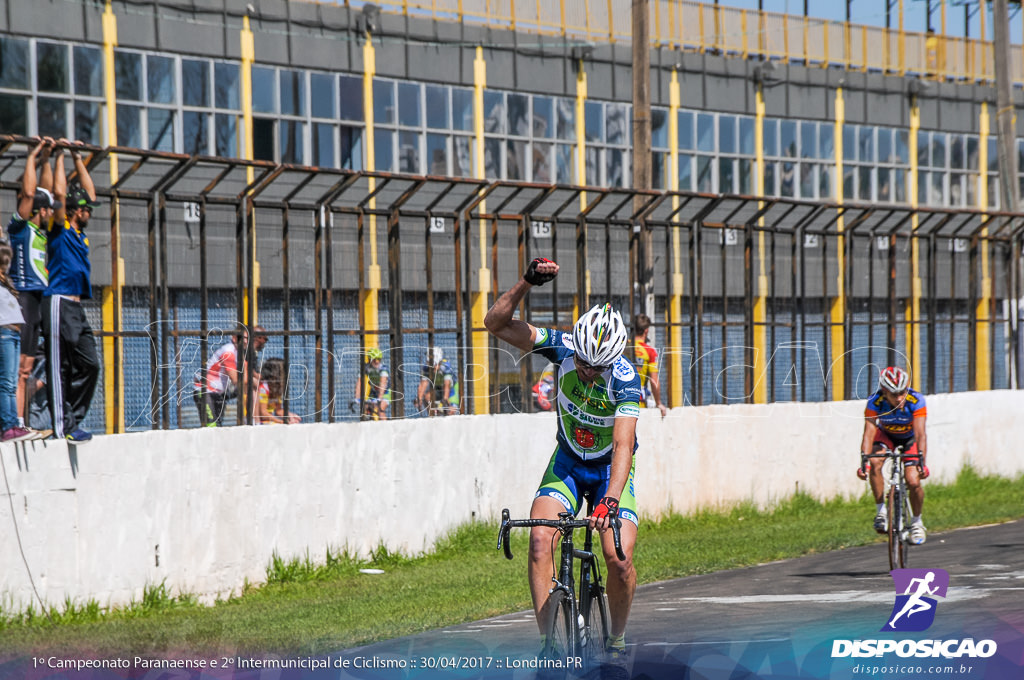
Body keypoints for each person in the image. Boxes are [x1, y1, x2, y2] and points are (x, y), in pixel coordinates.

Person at [484, 257, 642, 664]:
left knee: (618, 561)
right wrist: (524, 283)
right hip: (569, 462)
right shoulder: (565, 347)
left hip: (609, 469)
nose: (588, 372)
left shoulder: (624, 377)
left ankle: (617, 642)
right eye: (584, 363)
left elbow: (624, 445)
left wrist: (609, 500)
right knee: (539, 541)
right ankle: (548, 647)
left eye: (597, 366)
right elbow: (496, 324)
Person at [44, 140, 101, 443]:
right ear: (75, 210)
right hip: (59, 302)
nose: (90, 210)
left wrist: (79, 158)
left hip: (77, 309)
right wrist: (60, 156)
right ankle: (62, 426)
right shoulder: (60, 228)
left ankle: (72, 420)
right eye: (86, 208)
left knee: (91, 365)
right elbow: (59, 195)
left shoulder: (80, 233)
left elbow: (90, 193)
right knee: (60, 367)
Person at [8, 138, 55, 434]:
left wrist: (49, 158)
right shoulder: (20, 227)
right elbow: (30, 192)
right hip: (23, 298)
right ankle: (16, 423)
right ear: (38, 210)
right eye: (47, 209)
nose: (53, 211)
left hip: (38, 300)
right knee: (19, 371)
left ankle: (22, 423)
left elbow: (46, 193)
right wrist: (32, 156)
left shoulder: (41, 229)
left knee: (27, 370)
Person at [857, 366, 930, 545]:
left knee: (913, 481)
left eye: (902, 393)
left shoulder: (916, 400)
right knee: (874, 462)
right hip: (886, 435)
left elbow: (920, 434)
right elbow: (868, 433)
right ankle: (881, 511)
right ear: (884, 392)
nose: (899, 398)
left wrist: (922, 462)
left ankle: (917, 522)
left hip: (909, 438)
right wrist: (863, 462)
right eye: (893, 394)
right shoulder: (875, 402)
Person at [192, 325, 267, 426]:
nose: (246, 341)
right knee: (211, 426)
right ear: (234, 338)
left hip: (219, 392)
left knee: (218, 426)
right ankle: (250, 421)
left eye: (248, 339)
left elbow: (248, 374)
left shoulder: (240, 353)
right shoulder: (228, 352)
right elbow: (236, 380)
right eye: (243, 338)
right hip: (205, 391)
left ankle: (255, 421)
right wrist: (251, 379)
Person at [0, 242, 32, 442]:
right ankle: (8, 426)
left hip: (13, 334)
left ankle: (13, 425)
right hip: (3, 333)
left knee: (12, 382)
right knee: (6, 382)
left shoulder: (7, 283)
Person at [633, 313, 667, 418]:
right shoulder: (650, 351)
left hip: (620, 398)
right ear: (646, 330)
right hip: (638, 400)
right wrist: (658, 402)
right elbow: (654, 380)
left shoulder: (624, 348)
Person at [254, 357, 299, 425]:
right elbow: (263, 413)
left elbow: (278, 411)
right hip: (260, 422)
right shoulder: (264, 387)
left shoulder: (276, 388)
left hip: (269, 421)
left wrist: (290, 415)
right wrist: (280, 421)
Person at [416, 346, 459, 416]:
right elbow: (423, 385)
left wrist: (445, 400)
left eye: (435, 366)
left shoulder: (446, 367)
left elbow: (447, 385)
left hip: (452, 389)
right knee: (427, 397)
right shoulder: (426, 368)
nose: (433, 370)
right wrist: (419, 399)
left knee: (450, 411)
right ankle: (433, 416)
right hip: (438, 388)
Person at [352, 346, 390, 420]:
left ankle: (386, 429)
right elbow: (359, 382)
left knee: (380, 409)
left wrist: (379, 398)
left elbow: (382, 383)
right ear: (369, 360)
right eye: (374, 359)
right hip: (373, 392)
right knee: (367, 408)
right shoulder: (366, 368)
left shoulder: (383, 369)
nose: (377, 362)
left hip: (386, 392)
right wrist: (357, 397)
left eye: (379, 359)